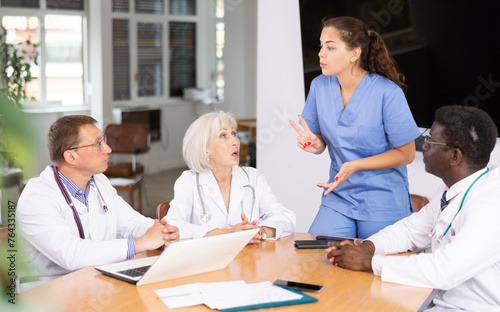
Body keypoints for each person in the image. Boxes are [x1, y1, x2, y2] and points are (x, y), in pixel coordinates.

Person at [327, 105, 500, 311]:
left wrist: (370, 262)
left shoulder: (491, 203)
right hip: (439, 302)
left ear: (454, 156)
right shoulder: (455, 188)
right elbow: (410, 230)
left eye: (431, 140)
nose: (424, 146)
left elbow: (443, 270)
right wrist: (366, 247)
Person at [289, 16, 420, 239]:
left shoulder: (387, 93)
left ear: (354, 53)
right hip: (339, 196)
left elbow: (406, 154)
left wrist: (355, 166)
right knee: (314, 260)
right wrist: (314, 142)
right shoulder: (319, 86)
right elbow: (321, 141)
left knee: (373, 266)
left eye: (330, 47)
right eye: (321, 45)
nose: (321, 53)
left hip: (382, 199)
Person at [16, 115, 179, 291]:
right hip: (49, 289)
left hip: (97, 280)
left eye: (104, 141)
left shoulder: (99, 182)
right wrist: (140, 243)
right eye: (98, 143)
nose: (108, 149)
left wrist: (162, 231)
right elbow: (70, 254)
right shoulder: (37, 196)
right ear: (71, 157)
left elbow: (131, 222)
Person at [166, 111, 296, 242]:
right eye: (223, 135)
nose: (235, 141)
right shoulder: (189, 181)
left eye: (234, 133)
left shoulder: (253, 177)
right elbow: (173, 226)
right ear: (205, 149)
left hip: (248, 259)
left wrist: (258, 231)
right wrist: (228, 233)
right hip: (208, 259)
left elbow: (285, 217)